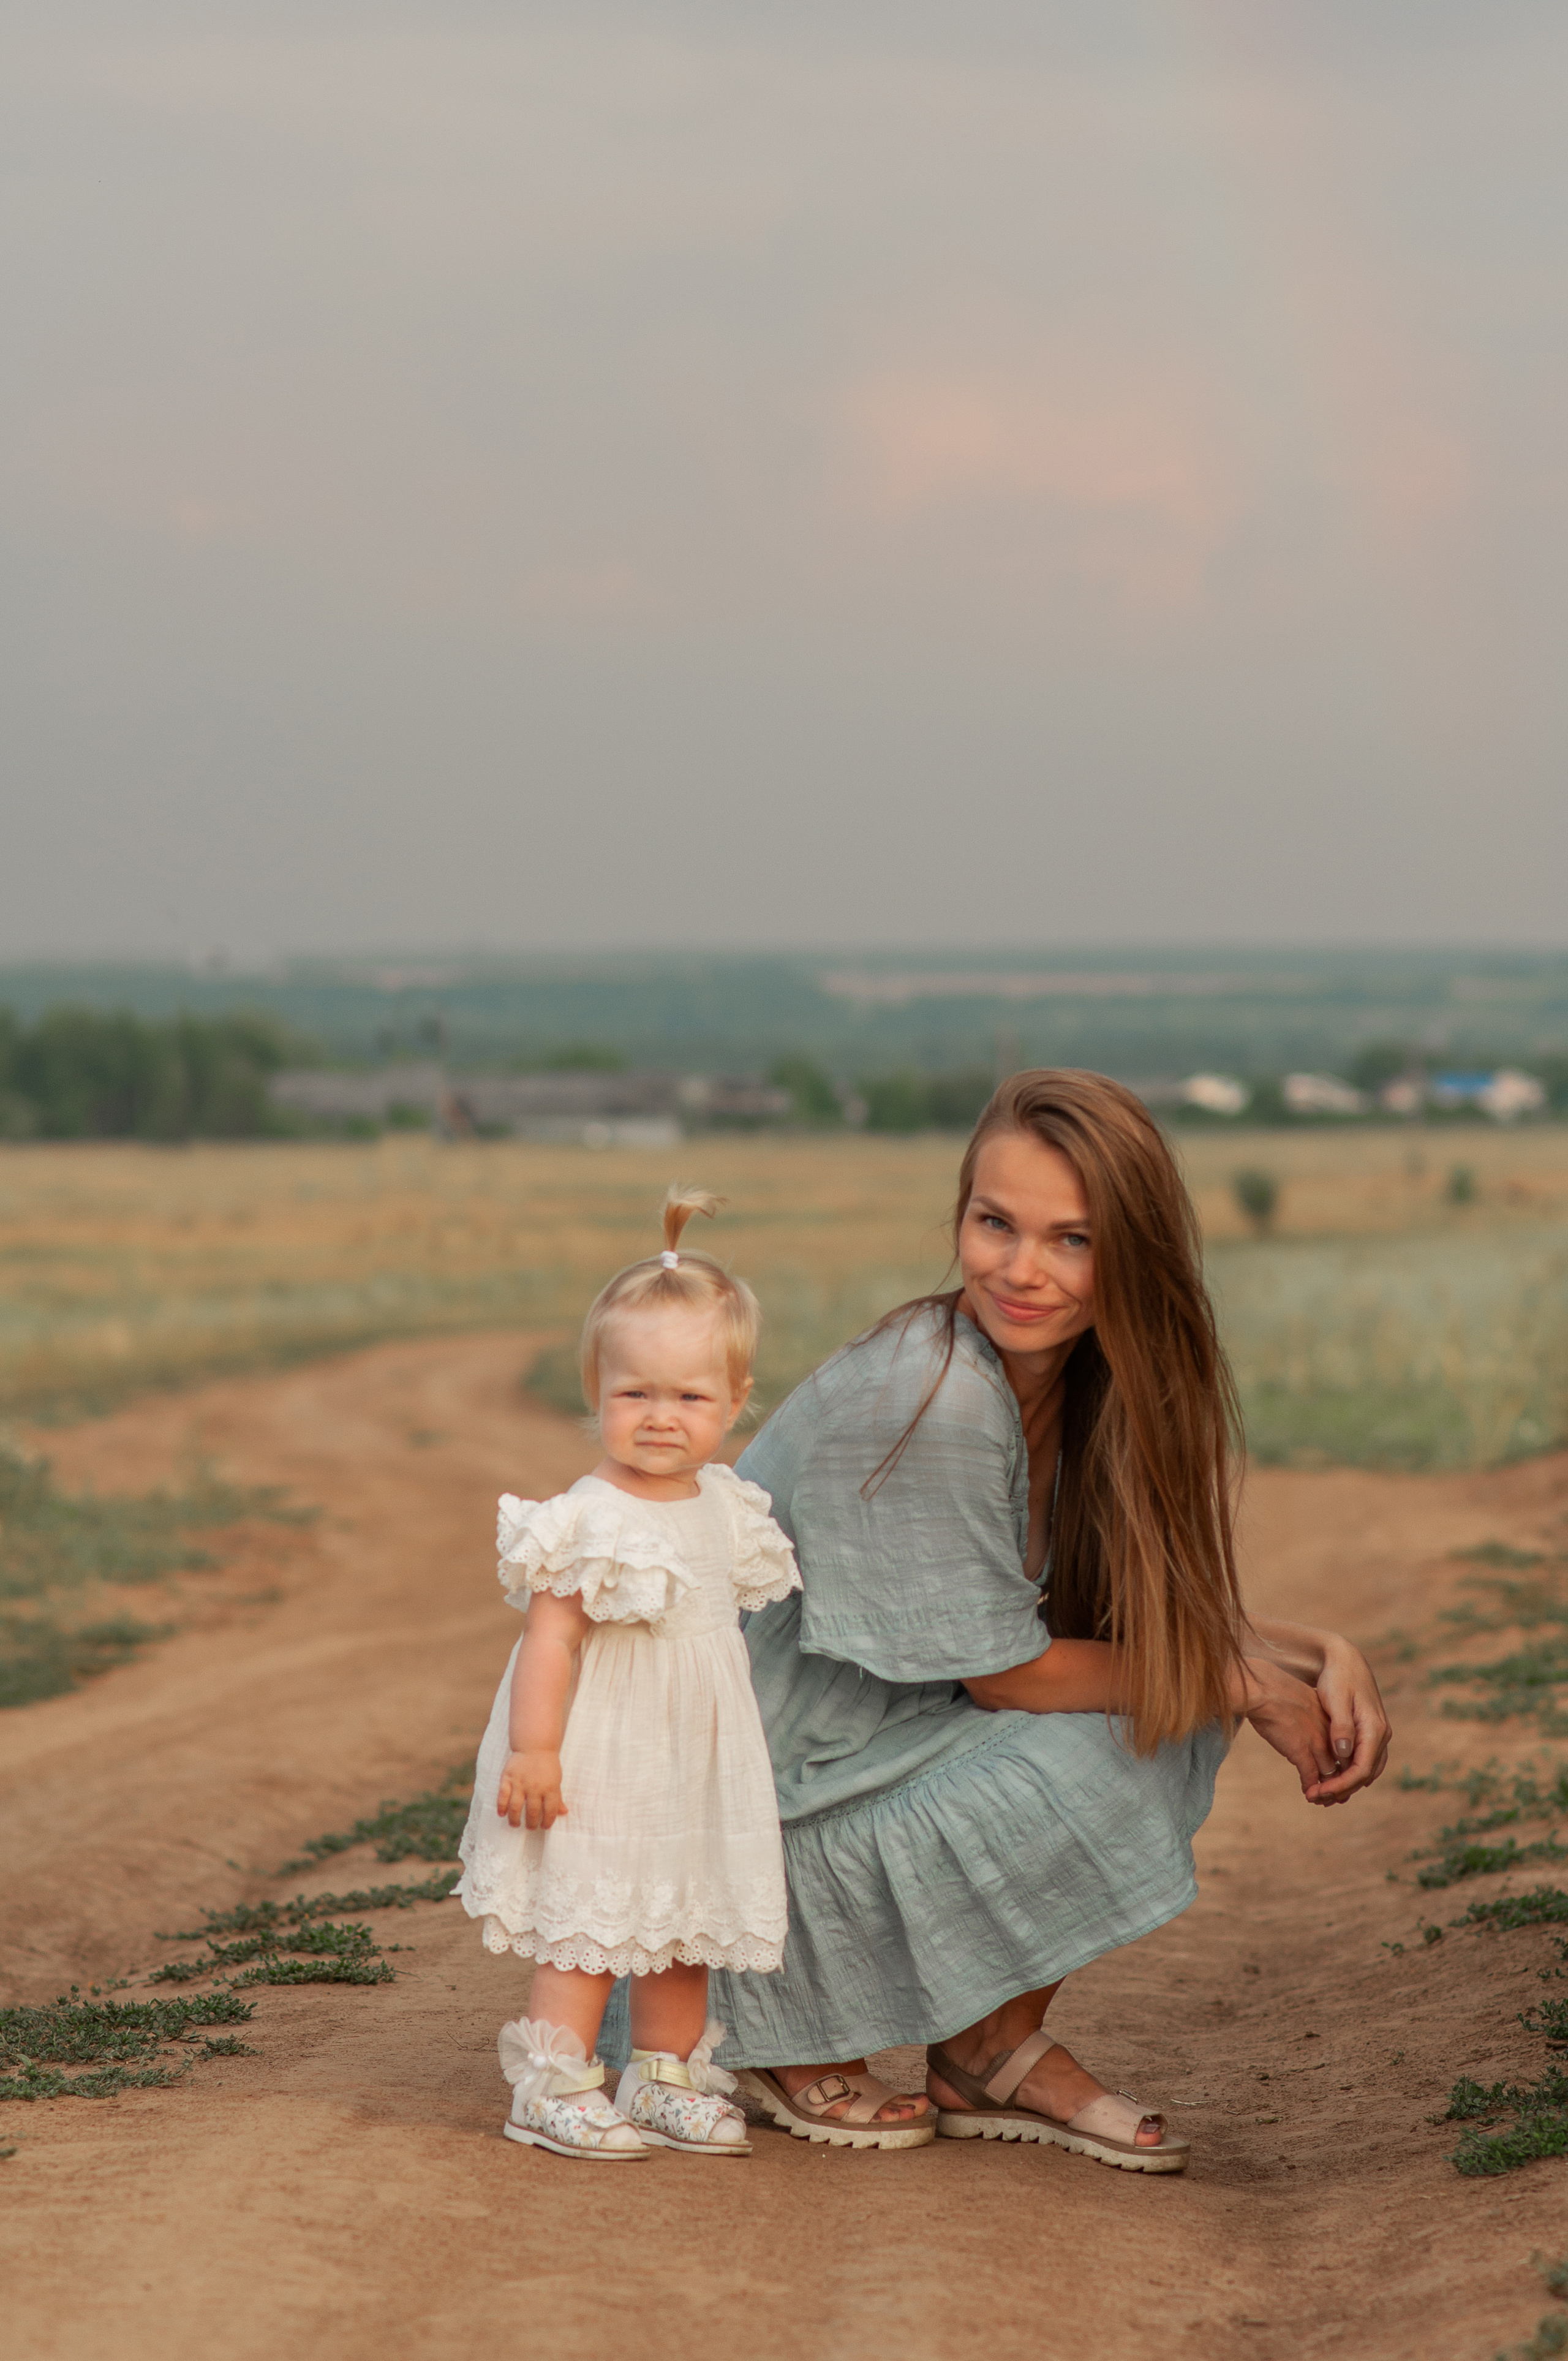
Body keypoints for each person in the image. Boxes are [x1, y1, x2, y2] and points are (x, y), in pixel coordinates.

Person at [701, 1070, 1393, 2169]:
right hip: (746, 1838)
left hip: (861, 1764)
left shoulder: (1078, 1383)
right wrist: (1251, 1680)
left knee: (1168, 1689)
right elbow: (1009, 1675)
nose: (1021, 1271)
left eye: (1071, 1239)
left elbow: (1150, 1619)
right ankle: (777, 2023)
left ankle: (987, 2047)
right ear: (962, 1217)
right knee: (1154, 1711)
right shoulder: (935, 1394)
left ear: (1133, 1252)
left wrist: (1321, 1652)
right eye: (995, 1224)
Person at [453, 1189, 803, 2161]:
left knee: (683, 1920)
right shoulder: (589, 1516)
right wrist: (534, 1748)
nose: (660, 1417)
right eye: (634, 1393)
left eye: (690, 1396)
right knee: (594, 1918)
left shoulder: (725, 1508)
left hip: (693, 1756)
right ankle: (555, 2082)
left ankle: (664, 2076)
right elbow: (551, 1639)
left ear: (735, 1403)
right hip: (601, 1753)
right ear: (596, 1394)